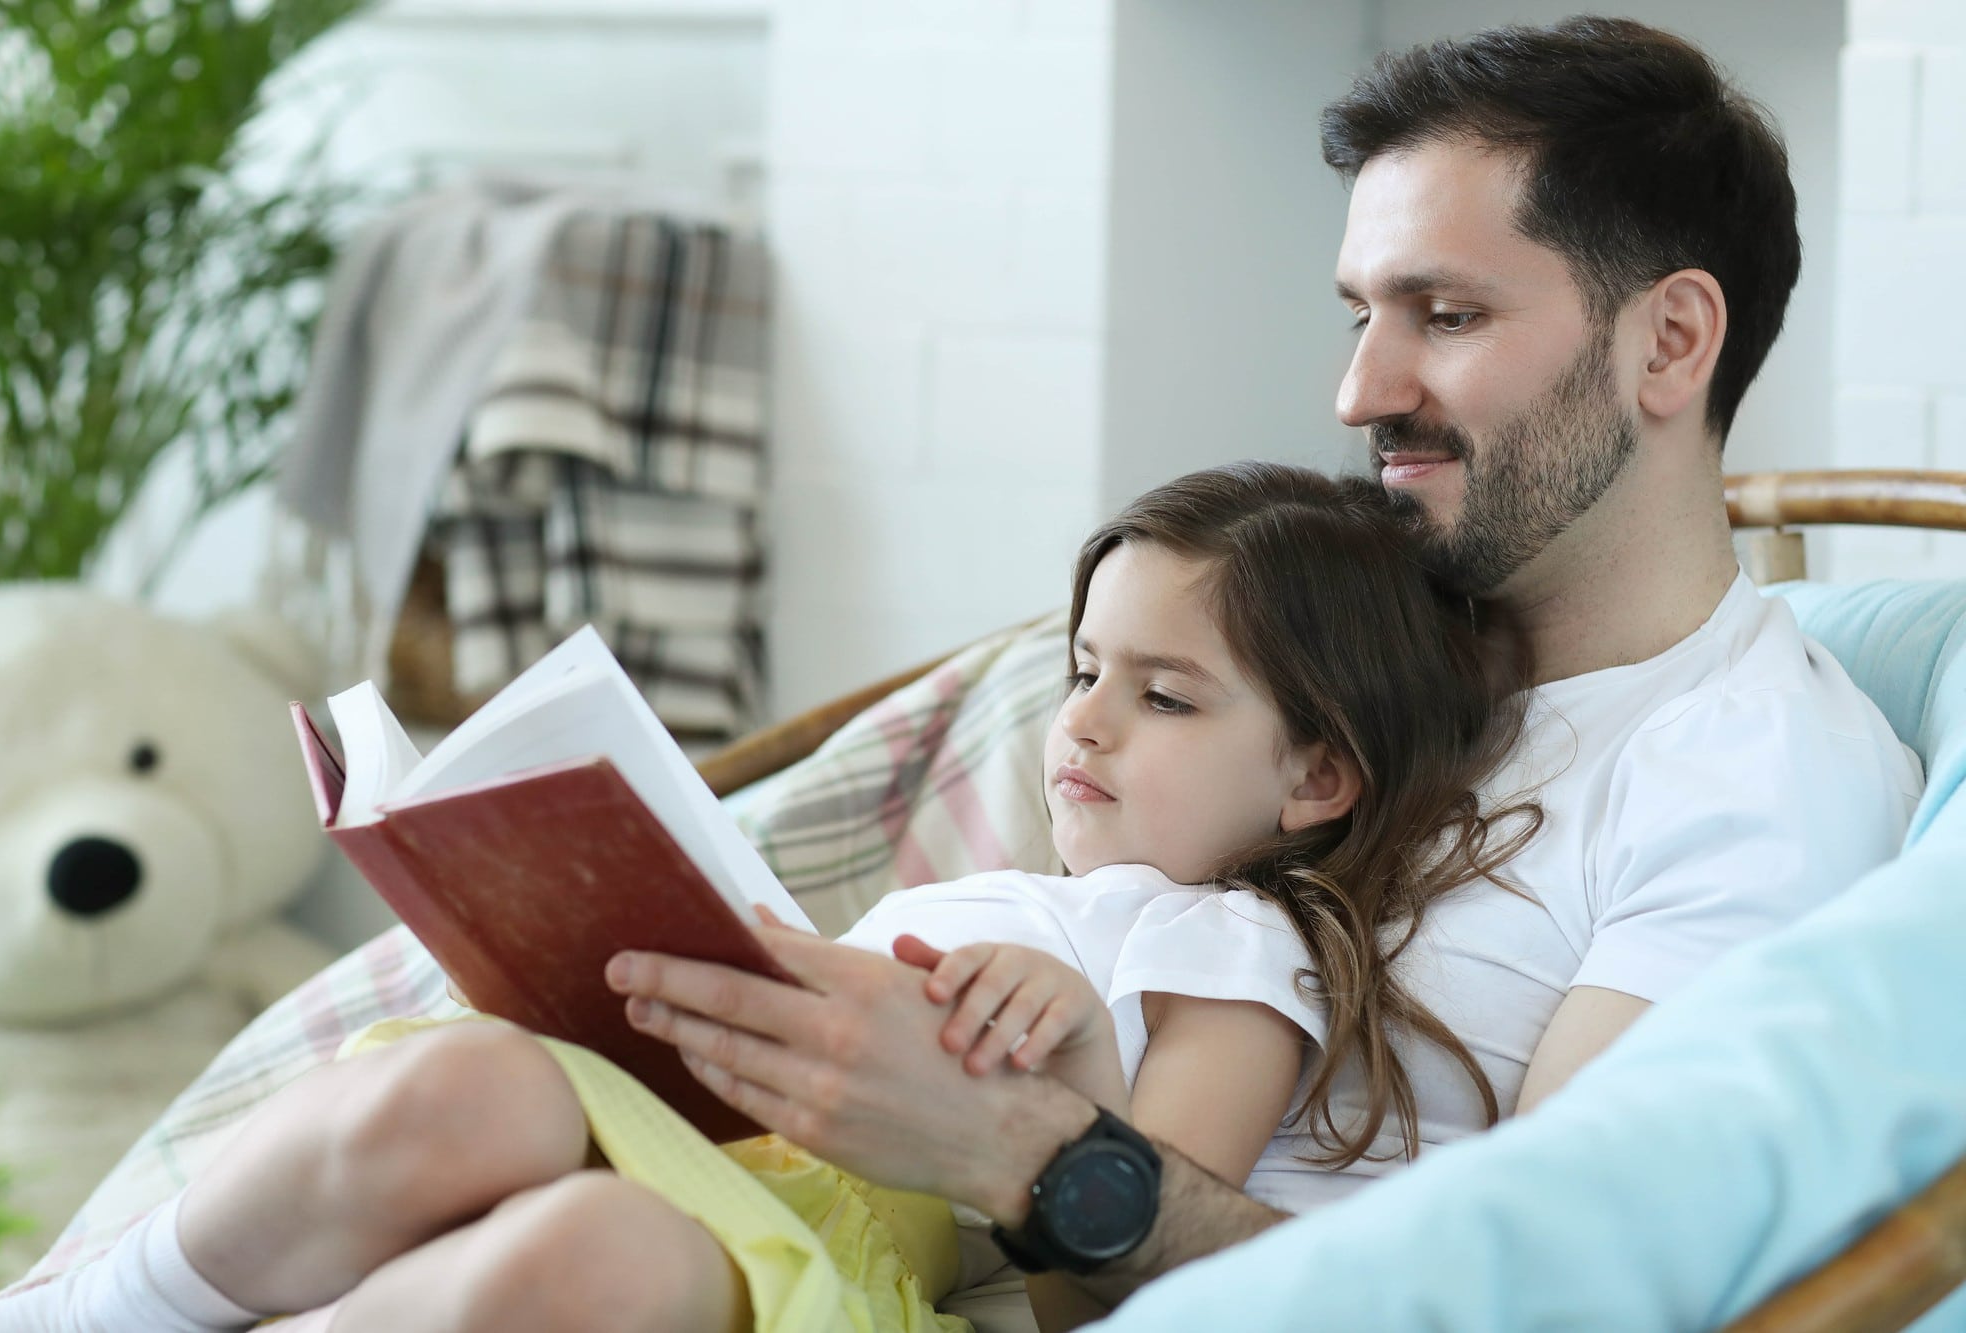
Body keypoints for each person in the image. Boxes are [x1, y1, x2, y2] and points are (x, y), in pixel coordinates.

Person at [602, 15, 1924, 1329]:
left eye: (1447, 314)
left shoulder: (1750, 779)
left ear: (1673, 341)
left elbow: (1538, 1301)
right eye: (1360, 313)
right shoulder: (1323, 652)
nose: (1358, 390)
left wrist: (1014, 1145)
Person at [0, 464, 1542, 1333]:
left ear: (1318, 779)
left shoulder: (1229, 940)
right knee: (463, 1084)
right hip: (699, 1129)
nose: (1079, 722)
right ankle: (91, 1311)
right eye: (1080, 674)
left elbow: (1122, 1278)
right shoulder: (998, 881)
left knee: (589, 1260)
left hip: (827, 1245)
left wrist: (1068, 1076)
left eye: (1165, 697)